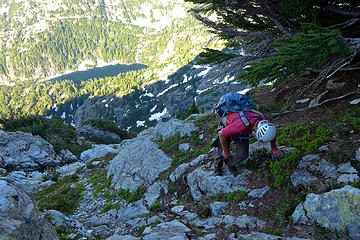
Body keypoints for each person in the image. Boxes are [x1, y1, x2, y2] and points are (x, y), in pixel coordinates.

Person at [214, 109, 283, 176]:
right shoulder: (240, 126)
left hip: (243, 129)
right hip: (226, 125)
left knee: (243, 154)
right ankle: (217, 167)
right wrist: (226, 150)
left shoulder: (266, 122)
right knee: (222, 149)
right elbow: (221, 134)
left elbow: (271, 134)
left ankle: (230, 164)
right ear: (256, 128)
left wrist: (273, 147)